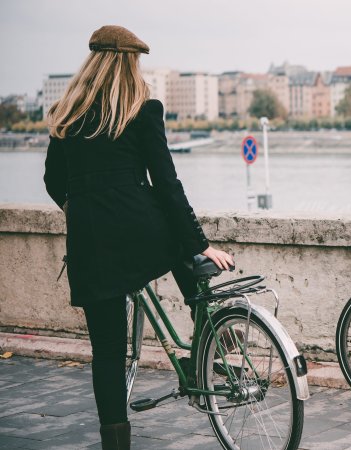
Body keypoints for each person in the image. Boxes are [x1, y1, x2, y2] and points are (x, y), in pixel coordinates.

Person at [43, 25, 233, 449]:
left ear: (92, 63)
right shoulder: (142, 110)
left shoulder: (65, 114)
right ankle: (208, 337)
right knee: (180, 244)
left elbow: (54, 181)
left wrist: (82, 211)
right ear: (130, 63)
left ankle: (116, 442)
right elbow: (167, 185)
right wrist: (201, 243)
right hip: (143, 231)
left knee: (107, 352)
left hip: (91, 243)